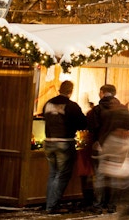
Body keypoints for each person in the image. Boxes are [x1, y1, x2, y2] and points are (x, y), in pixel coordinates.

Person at [43, 80, 87, 214]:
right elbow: (82, 123)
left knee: (53, 174)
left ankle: (49, 203)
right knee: (62, 175)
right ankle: (52, 206)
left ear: (59, 89)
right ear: (71, 91)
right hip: (64, 142)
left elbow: (44, 118)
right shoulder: (71, 106)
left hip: (48, 141)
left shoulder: (48, 103)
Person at [88, 84, 129, 214]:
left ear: (102, 92)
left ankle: (98, 206)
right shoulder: (123, 109)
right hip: (117, 147)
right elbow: (128, 128)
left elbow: (93, 128)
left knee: (100, 177)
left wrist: (96, 142)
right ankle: (112, 205)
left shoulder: (97, 109)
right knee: (114, 176)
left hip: (101, 146)